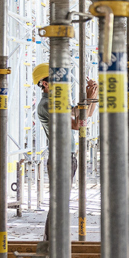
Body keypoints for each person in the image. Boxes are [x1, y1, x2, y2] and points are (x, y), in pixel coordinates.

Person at [33, 62, 98, 236]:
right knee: (59, 203)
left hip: (67, 156)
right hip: (60, 158)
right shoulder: (47, 105)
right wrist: (88, 98)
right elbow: (77, 124)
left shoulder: (57, 101)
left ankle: (54, 242)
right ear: (45, 83)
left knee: (61, 202)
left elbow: (85, 114)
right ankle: (51, 242)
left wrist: (92, 96)